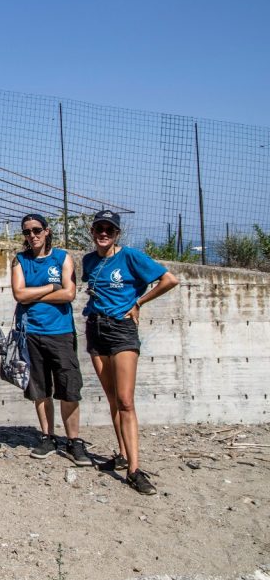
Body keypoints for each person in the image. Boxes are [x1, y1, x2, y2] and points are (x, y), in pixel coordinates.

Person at [82, 209, 178, 495]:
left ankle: (135, 470)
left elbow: (169, 280)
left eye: (108, 230)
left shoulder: (131, 256)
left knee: (126, 400)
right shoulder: (88, 261)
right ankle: (122, 454)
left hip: (121, 331)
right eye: (99, 228)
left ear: (117, 234)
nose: (103, 233)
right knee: (112, 397)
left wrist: (138, 302)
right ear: (93, 232)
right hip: (96, 329)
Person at [11, 214, 90, 466]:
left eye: (36, 230)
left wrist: (34, 295)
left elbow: (69, 294)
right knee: (40, 389)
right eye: (26, 232)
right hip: (31, 332)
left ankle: (74, 440)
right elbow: (19, 294)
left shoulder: (62, 257)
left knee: (69, 388)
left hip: (60, 332)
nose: (31, 235)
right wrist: (50, 288)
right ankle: (47, 436)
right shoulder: (20, 260)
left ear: (46, 231)